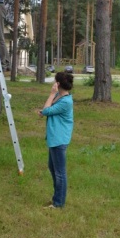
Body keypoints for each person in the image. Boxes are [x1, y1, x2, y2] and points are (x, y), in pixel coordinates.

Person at [39, 71, 74, 209]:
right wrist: (45, 109)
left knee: (60, 172)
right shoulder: (61, 97)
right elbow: (47, 109)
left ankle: (58, 203)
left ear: (58, 84)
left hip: (59, 140)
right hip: (55, 139)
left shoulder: (65, 101)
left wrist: (52, 94)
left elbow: (47, 110)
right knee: (53, 168)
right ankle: (56, 198)